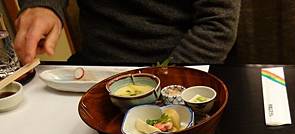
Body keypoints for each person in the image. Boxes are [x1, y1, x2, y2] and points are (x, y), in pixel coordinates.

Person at [15, 0, 241, 65]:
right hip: (96, 68)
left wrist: (164, 76)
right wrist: (43, 6)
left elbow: (217, 25)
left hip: (182, 70)